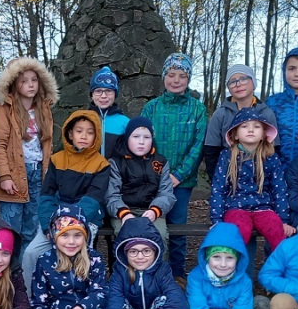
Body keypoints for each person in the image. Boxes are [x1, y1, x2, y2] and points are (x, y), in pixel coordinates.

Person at [20, 111, 110, 299]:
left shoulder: (101, 164)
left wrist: (70, 225)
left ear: (96, 137)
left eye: (90, 132)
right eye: (79, 131)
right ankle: (29, 299)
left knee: (78, 256)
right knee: (31, 253)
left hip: (84, 219)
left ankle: (78, 299)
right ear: (70, 133)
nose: (84, 136)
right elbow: (46, 195)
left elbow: (93, 199)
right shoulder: (57, 159)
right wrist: (49, 226)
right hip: (55, 218)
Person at [142, 53, 208, 279]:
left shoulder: (197, 109)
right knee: (152, 225)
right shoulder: (151, 108)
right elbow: (142, 141)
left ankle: (178, 276)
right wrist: (156, 173)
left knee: (178, 229)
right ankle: (152, 274)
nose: (176, 80)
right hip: (153, 180)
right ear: (164, 76)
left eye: (182, 75)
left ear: (188, 79)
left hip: (182, 182)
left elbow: (198, 146)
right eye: (171, 74)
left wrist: (178, 175)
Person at [0, 57, 56, 244]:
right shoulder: (4, 109)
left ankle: (27, 264)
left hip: (38, 174)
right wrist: (4, 176)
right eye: (24, 81)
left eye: (34, 80)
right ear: (13, 84)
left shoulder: (44, 108)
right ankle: (10, 264)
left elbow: (46, 145)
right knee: (11, 229)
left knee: (32, 229)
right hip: (15, 174)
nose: (30, 85)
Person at [208, 107, 292, 252]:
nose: (251, 130)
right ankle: (234, 265)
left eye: (257, 126)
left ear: (264, 134)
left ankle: (280, 264)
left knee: (276, 230)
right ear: (235, 134)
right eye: (244, 126)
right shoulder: (227, 156)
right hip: (235, 208)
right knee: (239, 232)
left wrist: (283, 220)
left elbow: (279, 189)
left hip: (264, 208)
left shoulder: (270, 156)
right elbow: (218, 188)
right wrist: (217, 220)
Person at [104, 116, 174, 244]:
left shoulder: (161, 162)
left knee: (159, 236)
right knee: (126, 236)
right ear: (127, 138)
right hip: (123, 210)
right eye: (136, 137)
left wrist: (155, 210)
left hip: (152, 209)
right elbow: (111, 195)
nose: (141, 142)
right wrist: (123, 213)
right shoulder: (116, 162)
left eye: (146, 137)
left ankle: (159, 258)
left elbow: (166, 193)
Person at [203, 64, 277, 179]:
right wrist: (216, 180)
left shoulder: (266, 113)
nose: (238, 84)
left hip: (261, 178)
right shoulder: (221, 114)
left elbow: (274, 149)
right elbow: (211, 151)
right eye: (232, 82)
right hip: (227, 177)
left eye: (243, 79)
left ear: (253, 83)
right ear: (228, 88)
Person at [86, 66, 130, 158]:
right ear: (92, 95)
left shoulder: (125, 122)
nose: (103, 96)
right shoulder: (82, 119)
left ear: (115, 94)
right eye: (98, 91)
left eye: (108, 91)